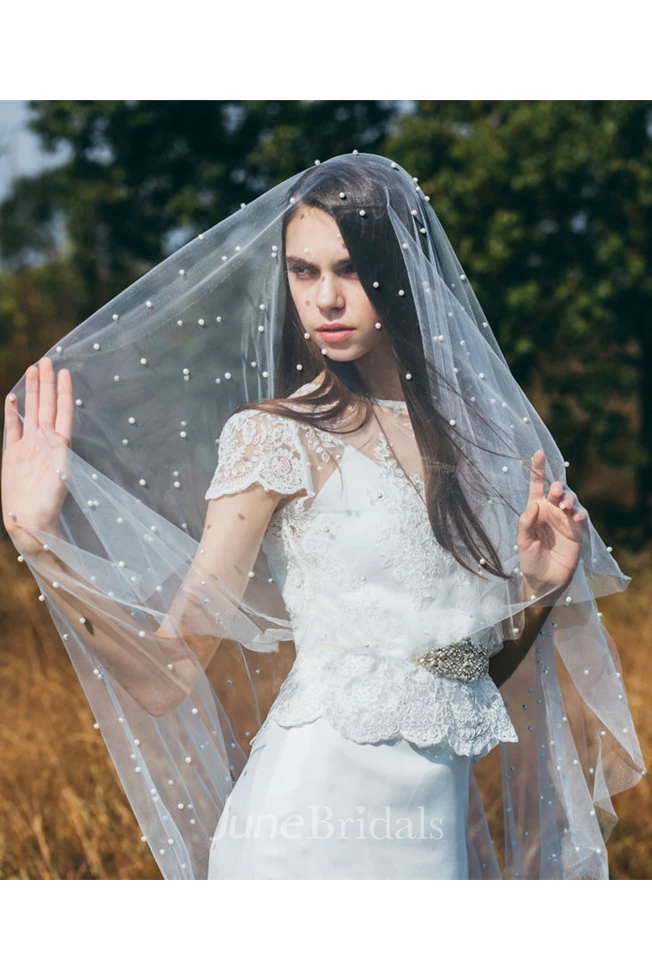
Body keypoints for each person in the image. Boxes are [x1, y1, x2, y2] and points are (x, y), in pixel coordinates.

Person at [1, 153, 645, 880]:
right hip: (302, 834)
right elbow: (169, 676)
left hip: (428, 846)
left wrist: (538, 592)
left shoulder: (471, 447)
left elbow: (447, 678)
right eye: (304, 272)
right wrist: (38, 541)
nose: (326, 299)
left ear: (404, 272)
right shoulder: (275, 437)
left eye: (351, 268)